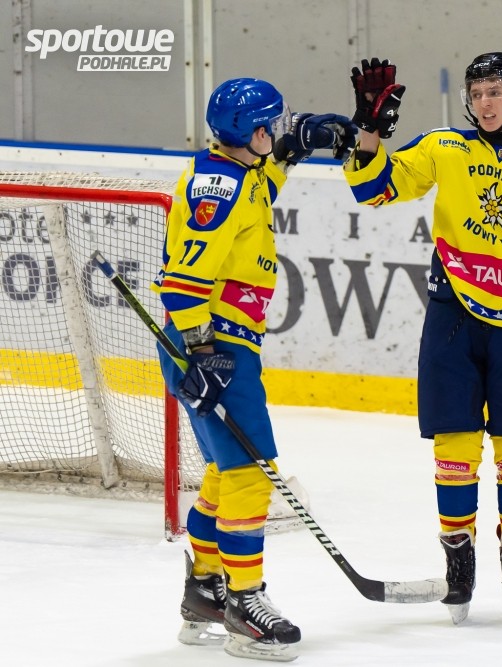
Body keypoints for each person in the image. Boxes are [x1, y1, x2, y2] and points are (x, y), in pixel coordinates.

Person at [342, 54, 502, 623]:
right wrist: (368, 130)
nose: (484, 103)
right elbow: (374, 189)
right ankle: (458, 563)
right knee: (455, 451)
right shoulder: (444, 147)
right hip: (453, 322)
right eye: (477, 92)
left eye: (495, 92)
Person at [154, 77, 355, 660]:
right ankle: (245, 603)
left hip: (219, 342)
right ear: (256, 132)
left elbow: (263, 182)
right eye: (276, 124)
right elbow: (184, 281)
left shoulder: (241, 171)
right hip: (215, 344)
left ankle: (204, 591)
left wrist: (298, 145)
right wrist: (202, 353)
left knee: (225, 471)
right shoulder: (218, 187)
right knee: (249, 473)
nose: (282, 128)